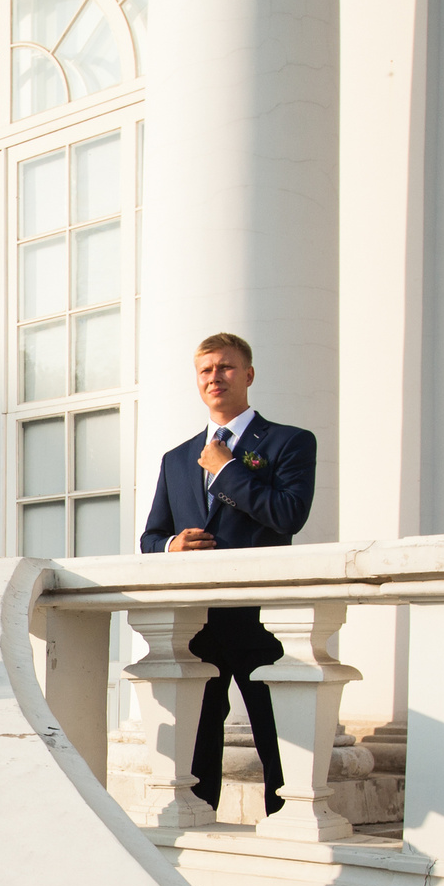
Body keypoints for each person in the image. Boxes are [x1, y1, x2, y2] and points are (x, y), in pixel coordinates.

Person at [136, 333, 316, 814]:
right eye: (206, 370)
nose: (215, 377)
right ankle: (196, 824)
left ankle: (287, 825)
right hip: (198, 620)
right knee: (198, 737)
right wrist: (172, 545)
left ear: (248, 375)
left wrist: (228, 469)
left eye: (226, 367)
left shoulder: (289, 442)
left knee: (276, 734)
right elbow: (151, 538)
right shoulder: (176, 459)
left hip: (263, 617)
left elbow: (289, 515)